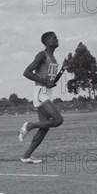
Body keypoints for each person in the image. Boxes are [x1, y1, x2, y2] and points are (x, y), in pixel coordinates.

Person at [18, 31, 64, 163]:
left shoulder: (53, 59)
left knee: (44, 128)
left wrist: (63, 69)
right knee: (58, 120)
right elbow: (26, 72)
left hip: (48, 92)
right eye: (54, 38)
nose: (57, 39)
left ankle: (26, 156)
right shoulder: (41, 55)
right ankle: (29, 125)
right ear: (48, 41)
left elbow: (52, 82)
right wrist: (45, 82)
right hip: (40, 92)